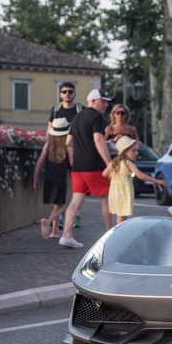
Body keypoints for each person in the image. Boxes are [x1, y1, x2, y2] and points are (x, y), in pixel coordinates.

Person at [59, 89, 114, 249]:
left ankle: (66, 235)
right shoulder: (96, 117)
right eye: (103, 101)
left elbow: (68, 141)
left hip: (78, 167)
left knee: (76, 201)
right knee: (106, 198)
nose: (106, 104)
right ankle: (110, 234)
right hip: (94, 165)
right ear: (93, 101)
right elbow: (98, 139)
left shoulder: (76, 118)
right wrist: (109, 162)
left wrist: (82, 146)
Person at [103, 137, 167, 224]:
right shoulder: (128, 163)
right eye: (133, 151)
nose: (136, 153)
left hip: (116, 192)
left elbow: (104, 174)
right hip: (124, 193)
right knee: (122, 216)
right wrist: (157, 181)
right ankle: (120, 233)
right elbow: (140, 175)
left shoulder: (115, 162)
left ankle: (120, 231)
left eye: (136, 150)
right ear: (125, 152)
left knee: (121, 215)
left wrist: (116, 175)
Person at [49, 82, 84, 228]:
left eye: (70, 91)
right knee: (59, 183)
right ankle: (60, 217)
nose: (67, 94)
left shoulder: (80, 110)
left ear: (74, 94)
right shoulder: (56, 110)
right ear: (60, 94)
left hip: (76, 150)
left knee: (76, 184)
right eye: (64, 92)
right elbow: (49, 128)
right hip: (58, 151)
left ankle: (75, 215)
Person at [33, 118, 72, 239]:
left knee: (56, 204)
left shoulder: (48, 145)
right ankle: (48, 221)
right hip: (60, 178)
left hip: (48, 178)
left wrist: (35, 178)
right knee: (62, 206)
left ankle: (55, 232)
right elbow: (72, 162)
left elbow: (40, 161)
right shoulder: (68, 146)